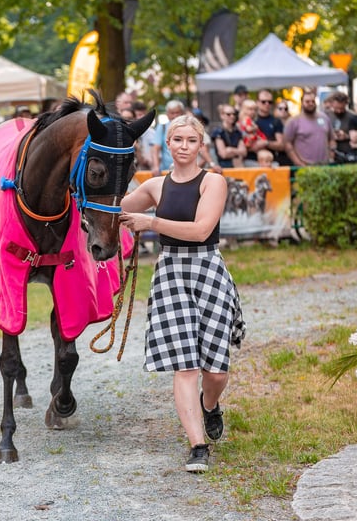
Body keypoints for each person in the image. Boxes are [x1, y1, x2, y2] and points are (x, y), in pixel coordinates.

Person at [119, 114, 245, 473]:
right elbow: (113, 208)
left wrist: (152, 223)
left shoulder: (213, 182)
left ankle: (210, 405)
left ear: (201, 146)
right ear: (168, 144)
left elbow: (202, 229)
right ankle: (197, 445)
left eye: (191, 141)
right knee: (185, 365)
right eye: (178, 140)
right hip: (170, 272)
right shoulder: (155, 185)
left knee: (216, 369)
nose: (184, 146)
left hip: (207, 269)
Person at [283, 90, 334, 166]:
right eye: (307, 102)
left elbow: (331, 139)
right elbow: (287, 143)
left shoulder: (324, 118)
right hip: (305, 166)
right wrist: (298, 163)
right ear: (302, 103)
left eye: (313, 101)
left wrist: (331, 156)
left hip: (324, 165)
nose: (311, 104)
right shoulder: (294, 121)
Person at [255, 90, 289, 166]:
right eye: (263, 102)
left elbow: (281, 145)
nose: (267, 104)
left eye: (270, 102)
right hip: (253, 161)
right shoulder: (251, 120)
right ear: (257, 102)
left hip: (272, 162)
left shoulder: (276, 121)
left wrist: (266, 143)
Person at [151, 100, 185, 174]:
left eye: (177, 113)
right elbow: (155, 149)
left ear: (182, 113)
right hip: (167, 170)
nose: (175, 116)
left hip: (186, 169)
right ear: (167, 114)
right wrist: (156, 166)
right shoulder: (162, 127)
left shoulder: (189, 127)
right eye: (172, 113)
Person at [236, 99, 266, 165]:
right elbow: (248, 129)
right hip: (249, 146)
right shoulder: (247, 120)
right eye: (250, 109)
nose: (253, 112)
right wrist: (255, 127)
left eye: (254, 110)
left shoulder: (250, 120)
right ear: (244, 109)